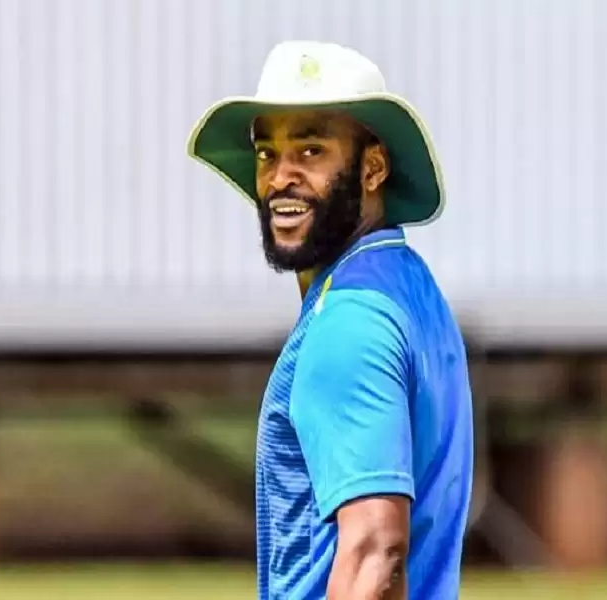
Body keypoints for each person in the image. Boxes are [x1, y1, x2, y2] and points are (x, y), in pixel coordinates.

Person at [186, 41, 474, 599]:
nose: (281, 177)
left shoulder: (350, 321)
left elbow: (375, 553)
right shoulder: (409, 287)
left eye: (311, 150)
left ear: (373, 168)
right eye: (267, 154)